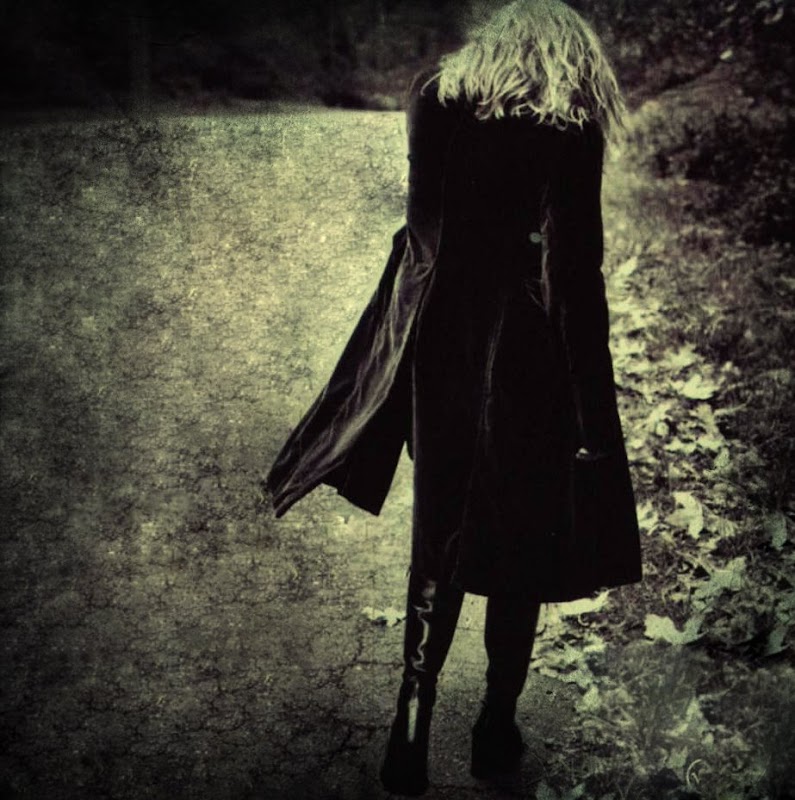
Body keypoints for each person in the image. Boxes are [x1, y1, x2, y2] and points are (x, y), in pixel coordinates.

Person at [265, 0, 642, 794]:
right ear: (567, 55)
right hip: (529, 354)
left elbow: (423, 234)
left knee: (440, 529)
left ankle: (410, 722)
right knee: (522, 539)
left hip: (437, 342)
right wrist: (592, 413)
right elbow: (571, 272)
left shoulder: (434, 95)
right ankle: (495, 726)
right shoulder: (568, 121)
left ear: (495, 40)